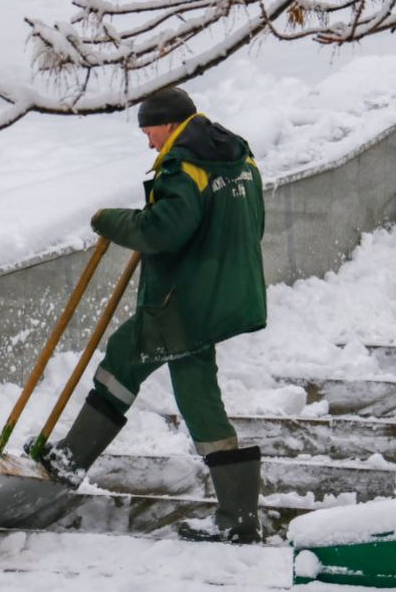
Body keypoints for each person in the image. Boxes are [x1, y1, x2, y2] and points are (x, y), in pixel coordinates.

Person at [38, 87, 268, 543]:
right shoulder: (238, 155)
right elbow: (249, 220)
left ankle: (70, 461)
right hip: (225, 291)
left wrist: (112, 220)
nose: (149, 143)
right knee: (162, 369)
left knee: (155, 372)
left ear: (167, 123)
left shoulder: (184, 164)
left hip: (186, 299)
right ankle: (237, 517)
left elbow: (163, 230)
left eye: (149, 131)